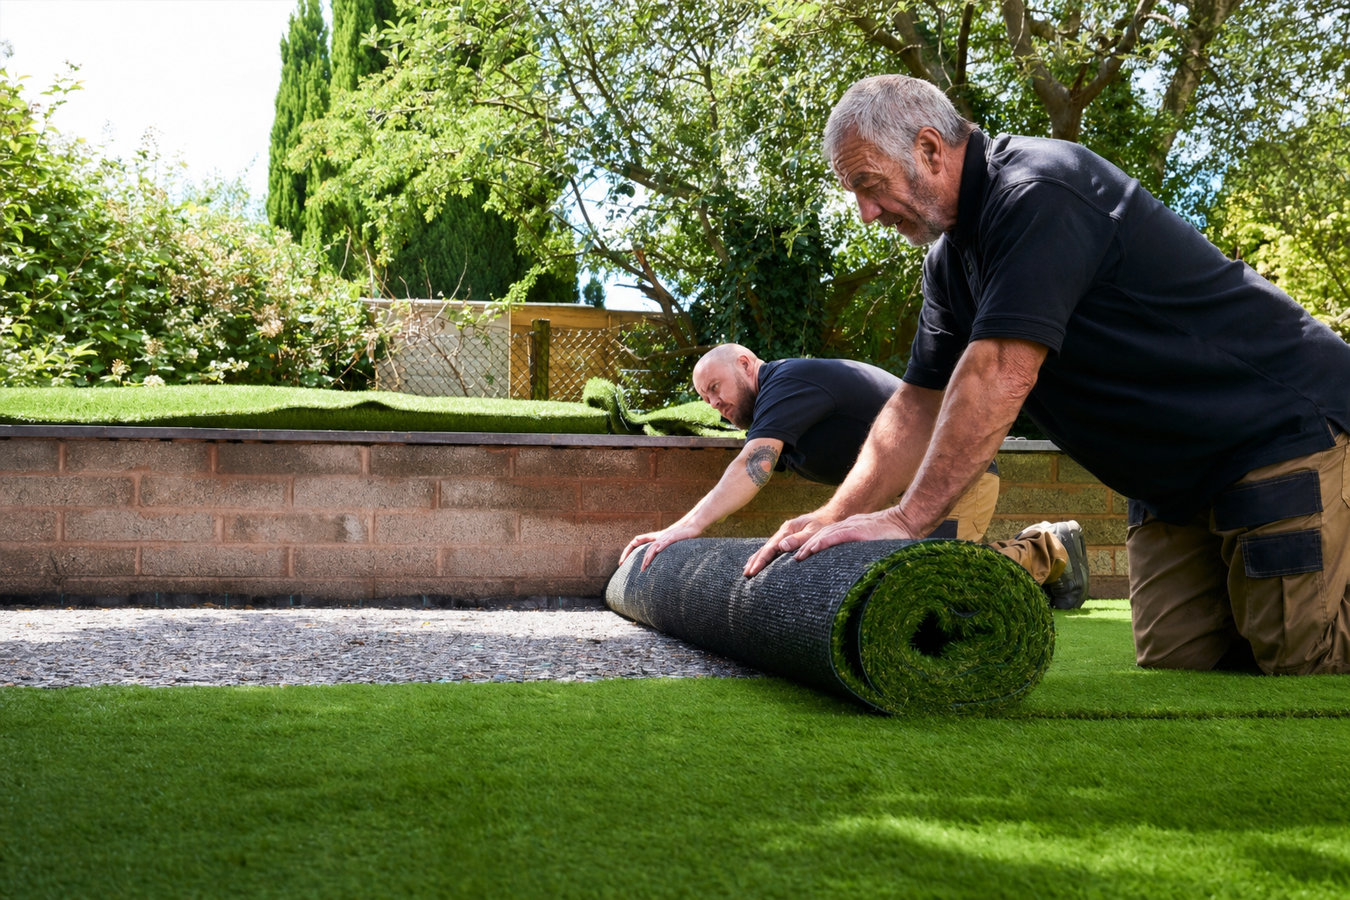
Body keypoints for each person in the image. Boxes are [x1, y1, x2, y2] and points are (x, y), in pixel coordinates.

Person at [745, 74, 1350, 675]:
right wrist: (835, 518)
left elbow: (999, 372)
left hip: (1275, 431)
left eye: (869, 186)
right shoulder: (949, 263)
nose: (867, 213)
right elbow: (916, 405)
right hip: (1172, 486)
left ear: (929, 149)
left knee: (1301, 656)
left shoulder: (1039, 191)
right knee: (1183, 661)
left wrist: (909, 520)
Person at [621, 343, 1089, 607]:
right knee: (902, 589)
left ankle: (1047, 549)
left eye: (715, 387)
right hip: (896, 502)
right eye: (705, 398)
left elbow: (751, 467)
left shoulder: (786, 381)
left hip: (954, 480)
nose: (714, 403)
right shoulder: (781, 415)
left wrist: (685, 528)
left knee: (935, 587)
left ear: (745, 364)